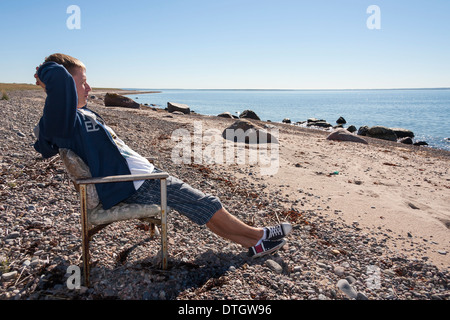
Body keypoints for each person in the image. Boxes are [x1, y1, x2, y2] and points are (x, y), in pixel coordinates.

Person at [33, 53, 292, 258]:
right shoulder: (64, 121)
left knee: (200, 204)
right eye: (82, 82)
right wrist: (46, 72)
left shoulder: (82, 114)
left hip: (141, 178)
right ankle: (259, 236)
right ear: (64, 87)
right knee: (206, 203)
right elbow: (58, 88)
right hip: (135, 185)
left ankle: (254, 240)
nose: (89, 87)